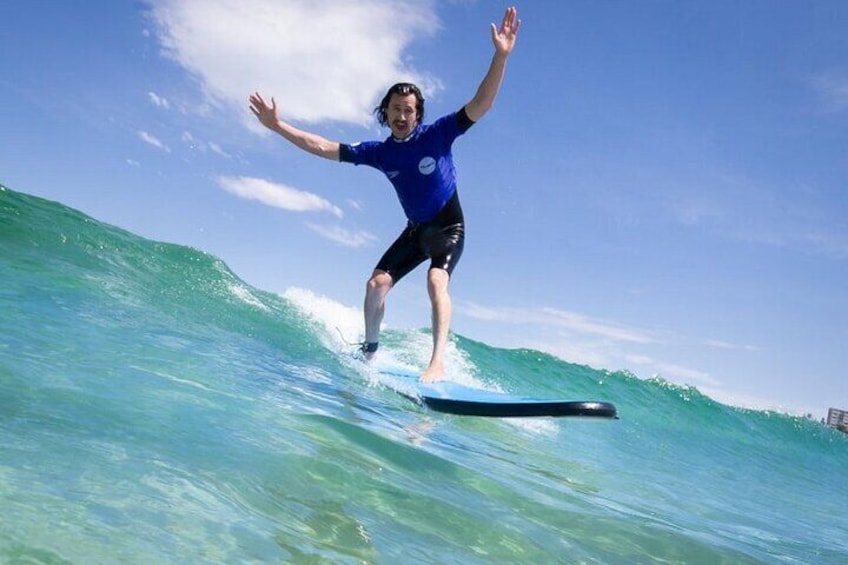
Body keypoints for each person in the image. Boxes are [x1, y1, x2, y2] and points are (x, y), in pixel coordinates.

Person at [249, 7, 520, 382]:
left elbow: (482, 103)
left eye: (409, 110)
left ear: (418, 115)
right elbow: (325, 146)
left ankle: (437, 362)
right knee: (376, 284)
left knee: (435, 281)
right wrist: (278, 127)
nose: (402, 116)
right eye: (395, 109)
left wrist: (500, 56)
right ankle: (370, 350)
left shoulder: (438, 134)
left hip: (448, 227)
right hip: (415, 231)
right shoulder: (380, 152)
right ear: (386, 113)